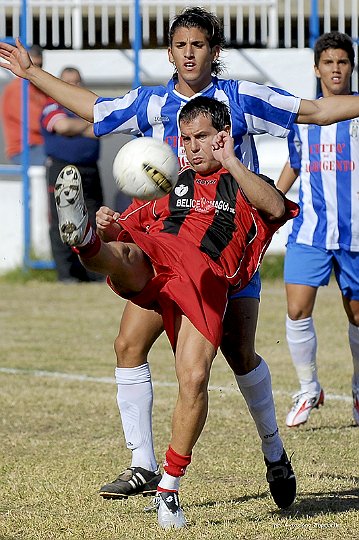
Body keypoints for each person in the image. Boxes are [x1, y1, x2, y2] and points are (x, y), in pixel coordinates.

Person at [2, 5, 359, 506]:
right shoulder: (153, 104)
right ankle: (143, 465)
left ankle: (274, 449)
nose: (189, 53)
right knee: (128, 345)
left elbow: (317, 111)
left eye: (199, 45)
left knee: (238, 356)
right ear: (169, 52)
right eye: (181, 45)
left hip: (228, 246)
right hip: (167, 240)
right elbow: (95, 110)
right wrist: (32, 72)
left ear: (215, 52)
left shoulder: (241, 99)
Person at [54, 96, 299, 528]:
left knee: (196, 376)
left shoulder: (244, 183)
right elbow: (135, 228)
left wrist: (231, 160)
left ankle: (172, 484)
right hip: (163, 259)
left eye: (201, 137)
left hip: (206, 278)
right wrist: (112, 224)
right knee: (126, 252)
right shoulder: (173, 183)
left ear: (223, 136)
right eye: (185, 139)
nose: (190, 147)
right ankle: (84, 237)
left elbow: (277, 207)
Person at [277, 31, 359, 428]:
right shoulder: (303, 116)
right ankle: (309, 387)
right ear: (317, 68)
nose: (336, 69)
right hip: (309, 229)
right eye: (328, 62)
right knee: (296, 309)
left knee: (357, 317)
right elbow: (294, 162)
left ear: (351, 67)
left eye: (342, 62)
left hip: (356, 233)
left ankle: (358, 390)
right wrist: (272, 199)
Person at [41, 66, 104, 282]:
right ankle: (67, 274)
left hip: (89, 169)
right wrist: (86, 125)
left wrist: (83, 126)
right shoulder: (52, 105)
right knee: (63, 221)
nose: (73, 86)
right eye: (68, 81)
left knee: (94, 219)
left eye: (77, 82)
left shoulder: (89, 107)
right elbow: (62, 126)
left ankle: (93, 272)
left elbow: (102, 128)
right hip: (62, 170)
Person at [0, 44, 47, 165]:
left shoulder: (39, 87)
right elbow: (38, 123)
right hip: (25, 149)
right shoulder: (18, 89)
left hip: (41, 146)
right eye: (32, 66)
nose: (36, 70)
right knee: (61, 162)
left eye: (39, 65)